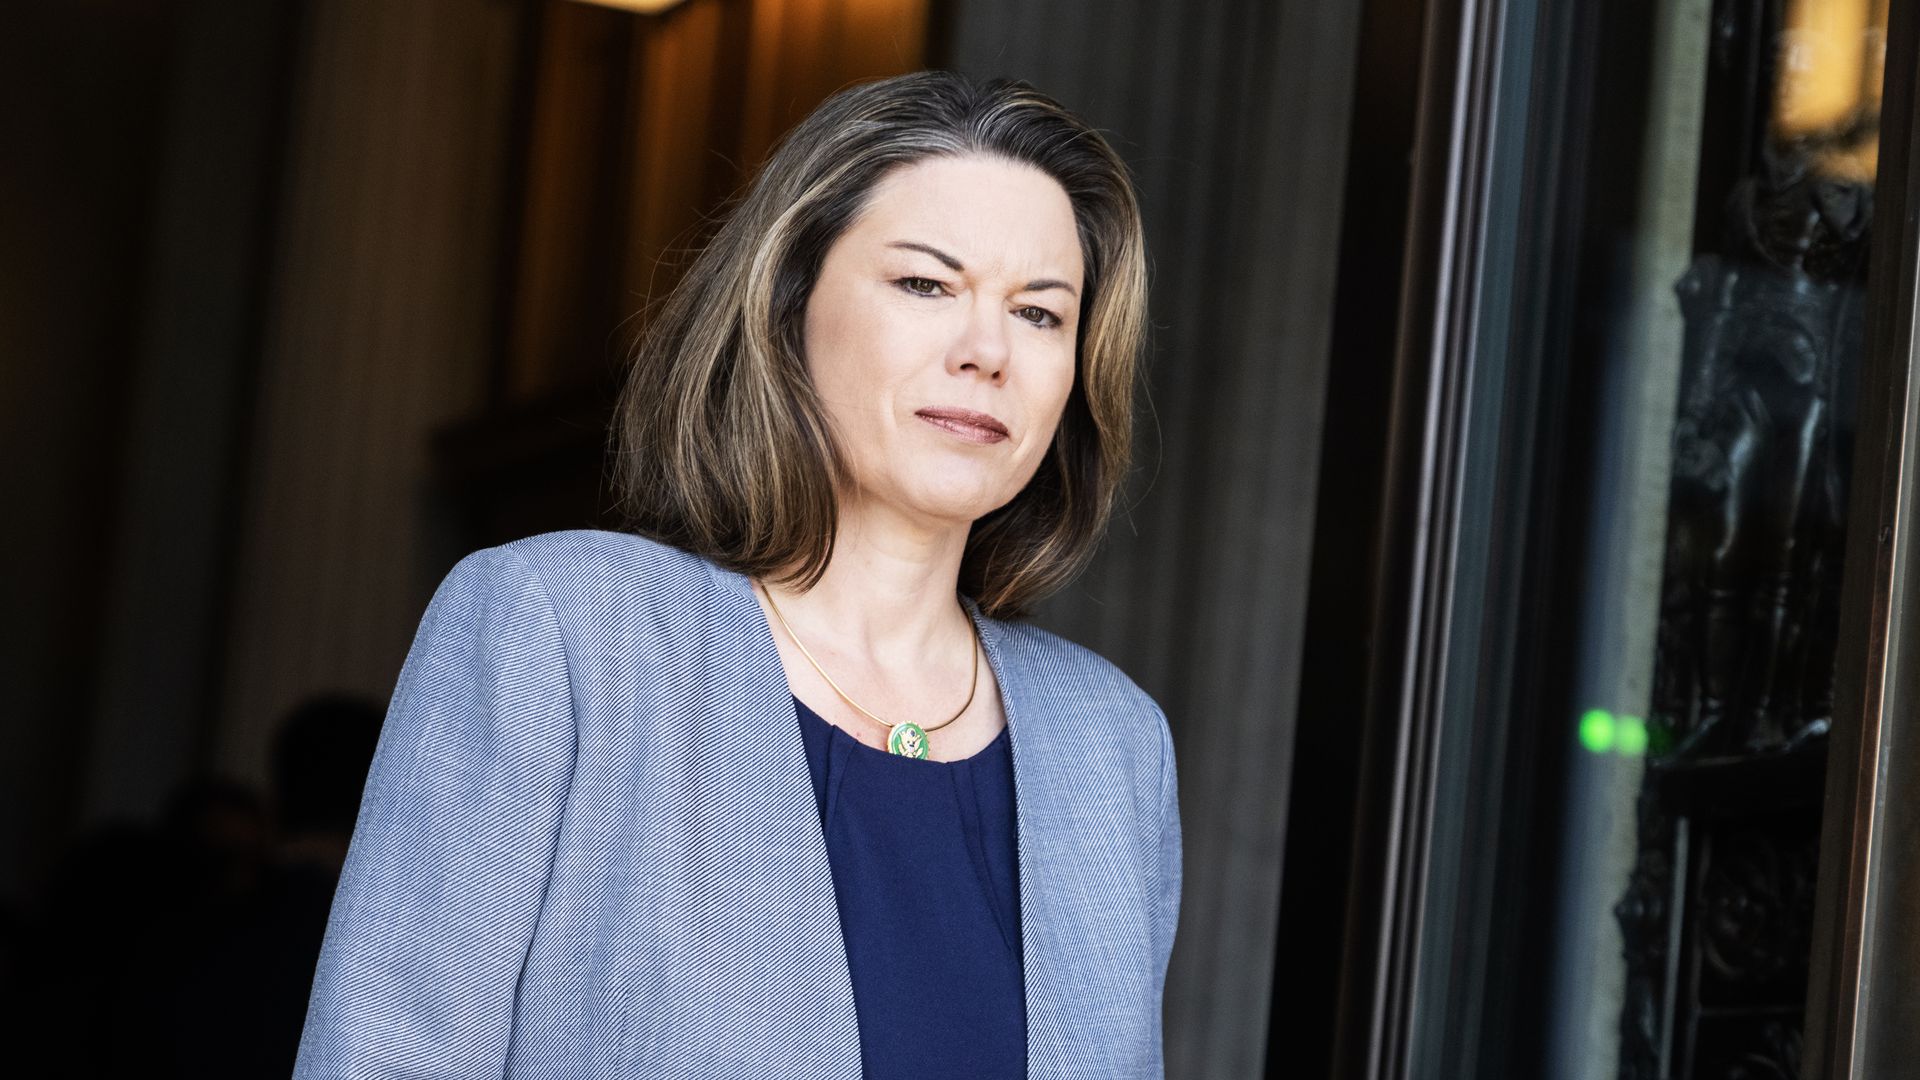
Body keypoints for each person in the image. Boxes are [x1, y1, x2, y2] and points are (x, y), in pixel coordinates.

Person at [294, 69, 1179, 1080]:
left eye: (1040, 313)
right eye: (926, 284)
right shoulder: (564, 633)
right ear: (790, 303)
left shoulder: (1112, 749)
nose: (988, 351)